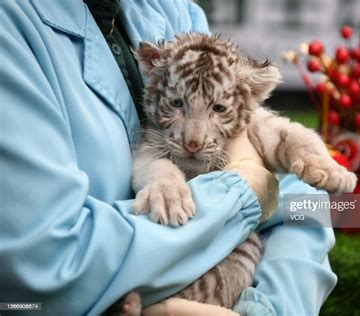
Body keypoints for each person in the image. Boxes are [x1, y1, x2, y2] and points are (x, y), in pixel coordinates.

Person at [0, 1, 337, 315]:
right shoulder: (12, 24)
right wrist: (244, 189)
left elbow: (307, 205)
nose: (194, 139)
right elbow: (43, 266)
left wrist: (269, 309)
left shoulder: (172, 9)